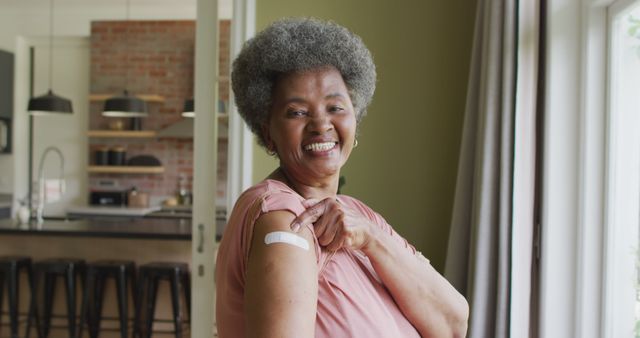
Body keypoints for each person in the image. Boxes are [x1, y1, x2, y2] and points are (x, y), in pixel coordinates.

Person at [215, 17, 469, 338]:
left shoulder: (357, 216)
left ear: (355, 122)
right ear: (268, 135)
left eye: (335, 107)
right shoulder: (284, 220)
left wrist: (372, 239)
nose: (321, 125)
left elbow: (453, 322)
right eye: (297, 112)